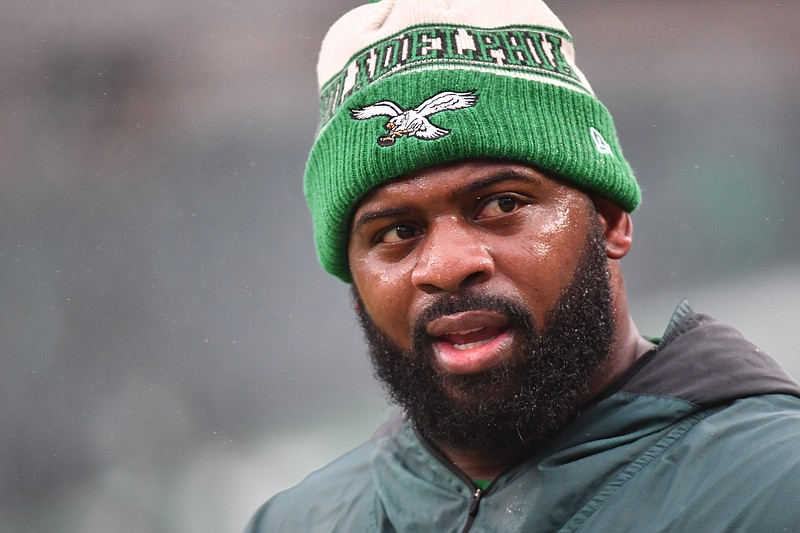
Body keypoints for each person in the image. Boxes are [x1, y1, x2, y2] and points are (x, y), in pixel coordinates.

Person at [246, 1, 800, 531]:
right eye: (397, 232)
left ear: (608, 220)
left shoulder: (774, 491)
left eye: (501, 204)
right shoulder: (295, 522)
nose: (446, 266)